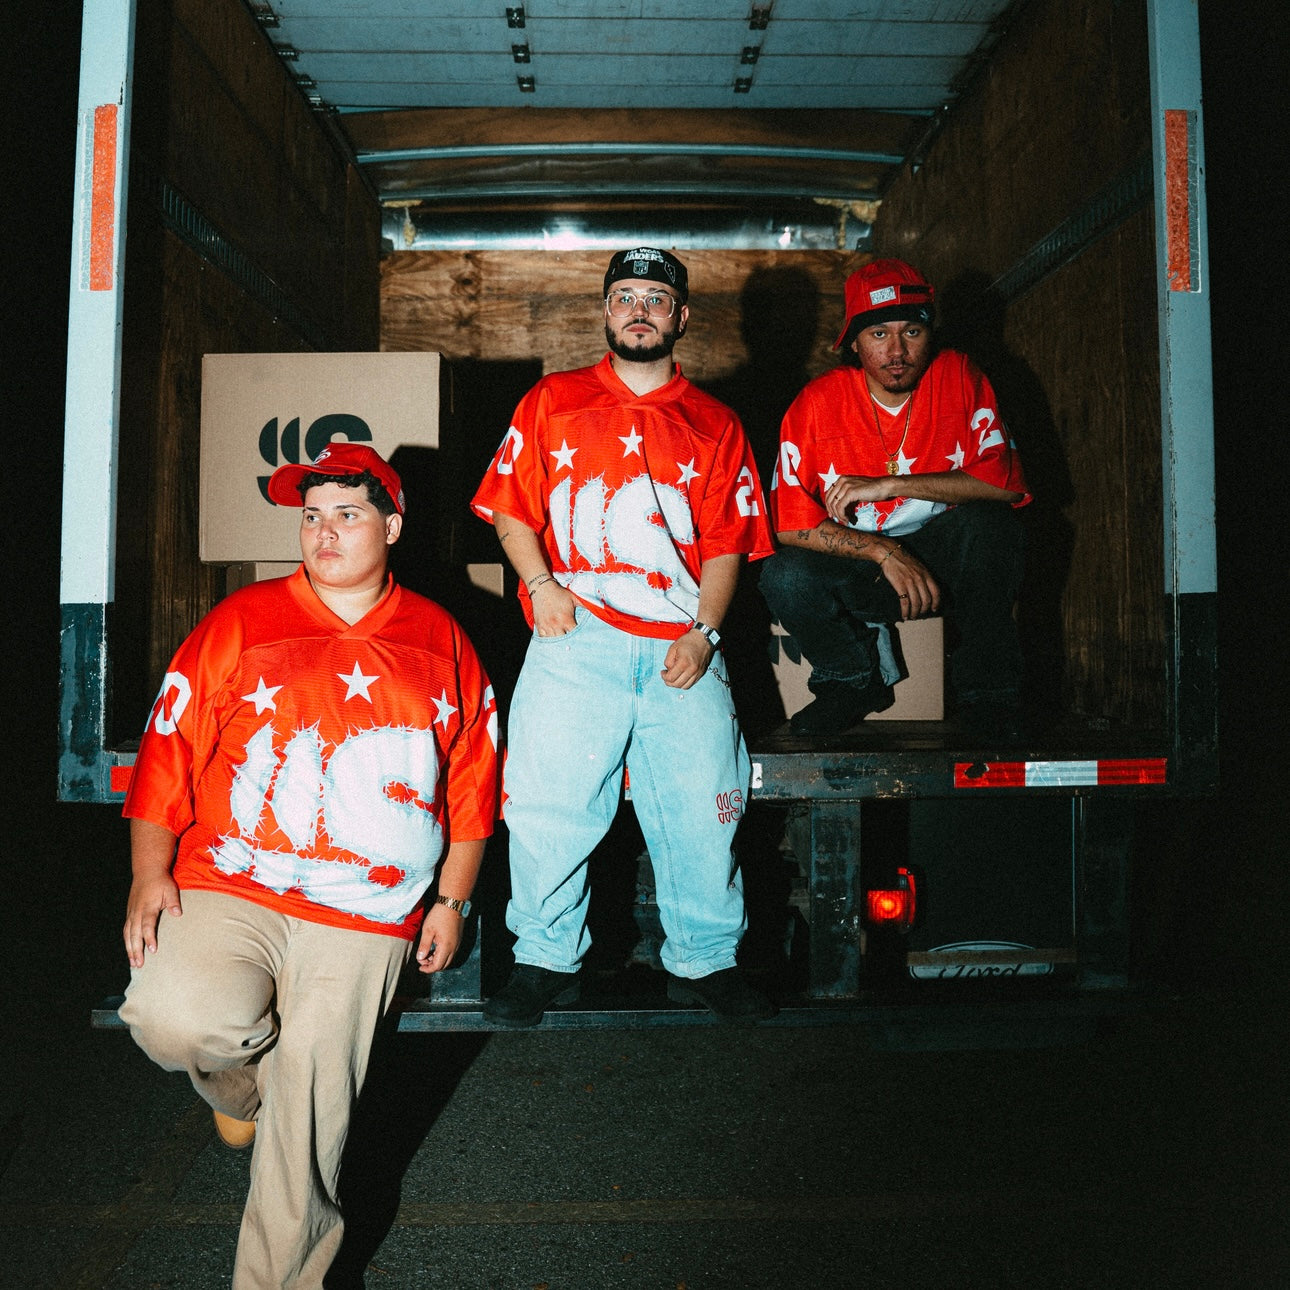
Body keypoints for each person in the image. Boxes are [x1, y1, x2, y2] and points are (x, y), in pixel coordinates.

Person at [118, 442, 499, 1289]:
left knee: (312, 1119)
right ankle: (242, 1089)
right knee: (171, 1019)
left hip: (368, 910)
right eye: (312, 516)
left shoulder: (441, 636)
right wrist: (150, 870)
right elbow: (168, 746)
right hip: (234, 881)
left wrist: (453, 901)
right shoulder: (242, 619)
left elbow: (475, 780)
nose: (324, 533)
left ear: (392, 526)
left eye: (348, 515)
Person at [471, 246, 776, 1026]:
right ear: (606, 312)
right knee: (548, 803)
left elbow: (728, 543)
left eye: (655, 299)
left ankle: (707, 959)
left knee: (707, 804)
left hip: (681, 642)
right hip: (577, 633)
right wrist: (542, 586)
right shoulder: (553, 400)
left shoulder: (715, 421)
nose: (639, 311)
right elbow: (510, 507)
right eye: (625, 297)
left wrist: (706, 633)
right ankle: (544, 957)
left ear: (681, 317)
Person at [760, 258, 1031, 736]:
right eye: (879, 334)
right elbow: (788, 525)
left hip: (942, 570)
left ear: (930, 334)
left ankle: (987, 693)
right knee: (783, 574)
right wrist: (885, 552)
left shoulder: (958, 376)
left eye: (912, 332)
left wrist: (890, 484)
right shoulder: (818, 403)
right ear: (853, 342)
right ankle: (850, 681)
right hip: (863, 572)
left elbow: (1006, 484)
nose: (897, 351)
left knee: (992, 527)